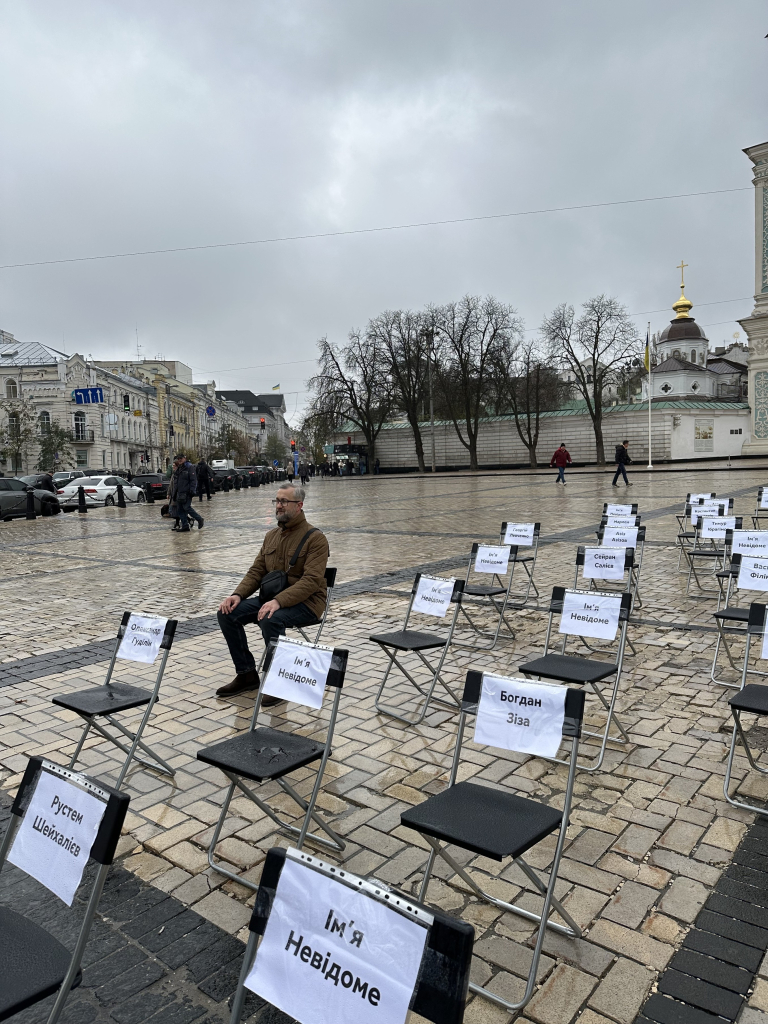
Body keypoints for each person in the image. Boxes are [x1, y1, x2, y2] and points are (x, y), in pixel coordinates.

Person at [215, 483, 329, 702]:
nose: (279, 505)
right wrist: (237, 595)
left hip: (307, 603)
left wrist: (278, 601)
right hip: (272, 600)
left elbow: (312, 581)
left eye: (284, 501)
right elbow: (257, 571)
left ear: (299, 505)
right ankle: (247, 674)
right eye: (277, 501)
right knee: (227, 613)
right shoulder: (271, 535)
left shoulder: (316, 538)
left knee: (270, 618)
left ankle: (283, 683)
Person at [169, 453, 204, 531]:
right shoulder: (179, 468)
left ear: (185, 458)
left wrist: (192, 490)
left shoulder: (189, 467)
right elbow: (176, 482)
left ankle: (199, 519)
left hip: (187, 492)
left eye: (181, 458)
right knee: (180, 509)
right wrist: (174, 493)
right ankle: (185, 526)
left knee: (187, 507)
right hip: (179, 493)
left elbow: (193, 480)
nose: (179, 460)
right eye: (178, 458)